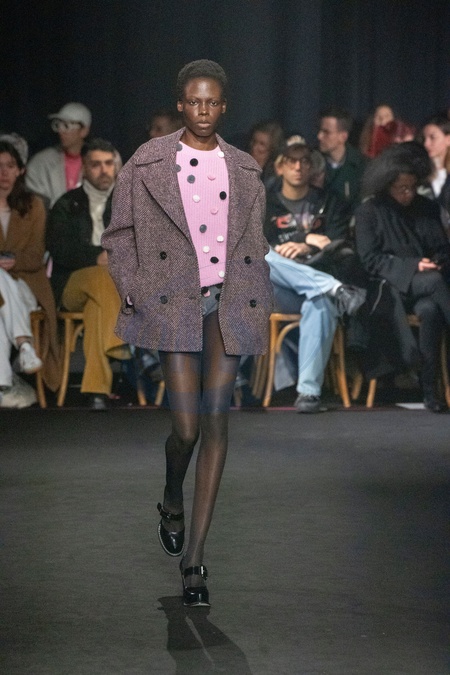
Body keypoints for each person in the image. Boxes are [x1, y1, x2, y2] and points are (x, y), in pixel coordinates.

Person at [102, 60, 273, 606]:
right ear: (181, 104)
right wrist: (134, 284)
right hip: (174, 302)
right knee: (186, 429)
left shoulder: (244, 168)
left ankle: (195, 559)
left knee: (216, 419)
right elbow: (119, 233)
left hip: (228, 301)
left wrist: (259, 288)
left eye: (212, 102)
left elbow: (254, 241)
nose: (203, 110)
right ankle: (171, 494)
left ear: (224, 107)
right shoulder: (148, 160)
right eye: (194, 101)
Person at [264, 139, 366, 413]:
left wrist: (306, 246)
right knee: (259, 254)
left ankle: (308, 394)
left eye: (304, 161)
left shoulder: (330, 201)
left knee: (320, 301)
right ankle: (335, 288)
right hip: (275, 290)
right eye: (291, 161)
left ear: (312, 167)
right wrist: (305, 239)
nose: (298, 167)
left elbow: (338, 244)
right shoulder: (265, 203)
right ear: (280, 167)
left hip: (316, 279)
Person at [355, 142, 450, 412]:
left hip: (427, 288)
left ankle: (430, 393)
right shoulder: (369, 212)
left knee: (430, 311)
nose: (408, 194)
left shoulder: (426, 208)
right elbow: (370, 260)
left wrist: (435, 261)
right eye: (401, 188)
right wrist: (414, 265)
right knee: (434, 283)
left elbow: (442, 249)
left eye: (412, 187)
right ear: (387, 185)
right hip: (390, 288)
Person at [46, 138, 130, 411]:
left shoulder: (128, 203)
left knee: (98, 308)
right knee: (102, 276)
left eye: (108, 163)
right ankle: (119, 344)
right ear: (84, 167)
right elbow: (59, 249)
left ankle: (96, 390)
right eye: (96, 165)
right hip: (72, 283)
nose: (104, 170)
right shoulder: (67, 204)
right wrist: (96, 257)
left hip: (115, 288)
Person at [0, 140, 60, 407]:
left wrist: (13, 261)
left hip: (28, 285)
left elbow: (36, 255)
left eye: (9, 166)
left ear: (20, 170)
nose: (3, 172)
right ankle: (23, 346)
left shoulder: (33, 205)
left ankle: (5, 383)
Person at [26, 102, 92, 208]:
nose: (61, 131)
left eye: (67, 126)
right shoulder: (41, 163)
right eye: (58, 125)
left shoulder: (100, 162)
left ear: (84, 131)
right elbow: (33, 202)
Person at [317, 106, 366, 218]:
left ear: (343, 136)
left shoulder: (362, 166)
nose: (319, 136)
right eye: (320, 131)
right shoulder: (312, 161)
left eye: (326, 132)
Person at [421, 115, 450, 231]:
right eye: (424, 139)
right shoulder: (421, 176)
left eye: (432, 138)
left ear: (448, 139)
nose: (426, 144)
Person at [248, 119, 284, 191]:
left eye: (262, 144)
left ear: (272, 149)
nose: (254, 148)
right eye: (254, 141)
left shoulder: (276, 180)